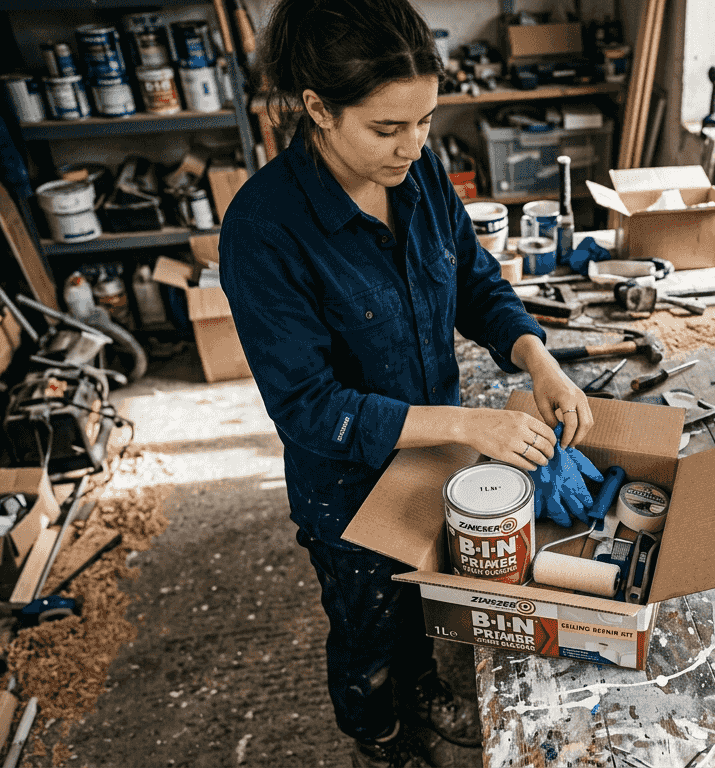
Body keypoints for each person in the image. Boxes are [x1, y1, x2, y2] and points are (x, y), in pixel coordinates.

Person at [218, 1, 594, 765]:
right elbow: (308, 409)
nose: (414, 145)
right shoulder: (265, 229)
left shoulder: (419, 175)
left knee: (423, 593)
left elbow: (475, 283)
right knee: (368, 622)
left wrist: (536, 356)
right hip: (348, 487)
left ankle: (421, 690)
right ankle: (377, 734)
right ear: (319, 110)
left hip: (430, 457)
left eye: (424, 119)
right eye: (387, 129)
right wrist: (466, 426)